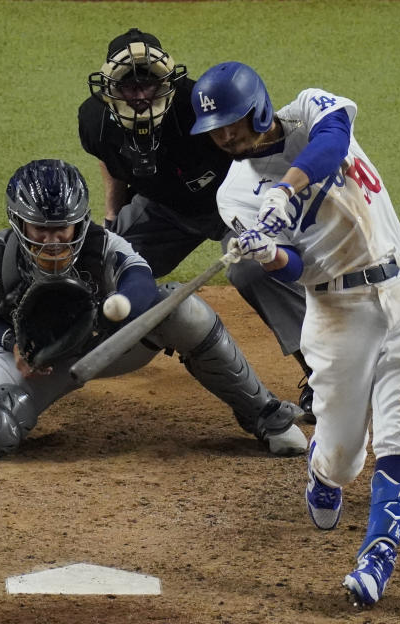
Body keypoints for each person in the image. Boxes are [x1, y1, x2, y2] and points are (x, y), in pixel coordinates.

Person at [0, 159, 308, 458]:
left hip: (107, 342)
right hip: (33, 357)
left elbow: (141, 283)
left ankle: (266, 417)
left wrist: (114, 310)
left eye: (64, 228)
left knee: (183, 309)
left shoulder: (104, 246)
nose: (54, 240)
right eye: (42, 230)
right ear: (18, 224)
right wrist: (14, 344)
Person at [189, 63, 400, 606]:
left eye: (231, 122)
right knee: (345, 459)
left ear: (256, 107)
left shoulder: (308, 110)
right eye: (213, 130)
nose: (224, 137)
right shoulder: (234, 196)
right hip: (337, 312)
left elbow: (332, 141)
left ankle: (377, 559)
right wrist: (270, 254)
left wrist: (286, 190)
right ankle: (322, 469)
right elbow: (297, 269)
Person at [78, 28, 316, 423]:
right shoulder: (95, 120)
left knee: (254, 269)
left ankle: (323, 374)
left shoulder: (200, 106)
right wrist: (111, 218)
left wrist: (273, 211)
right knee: (99, 261)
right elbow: (109, 160)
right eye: (129, 85)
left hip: (235, 206)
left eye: (149, 84)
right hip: (163, 209)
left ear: (166, 80)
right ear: (110, 88)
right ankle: (63, 351)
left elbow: (256, 143)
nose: (140, 95)